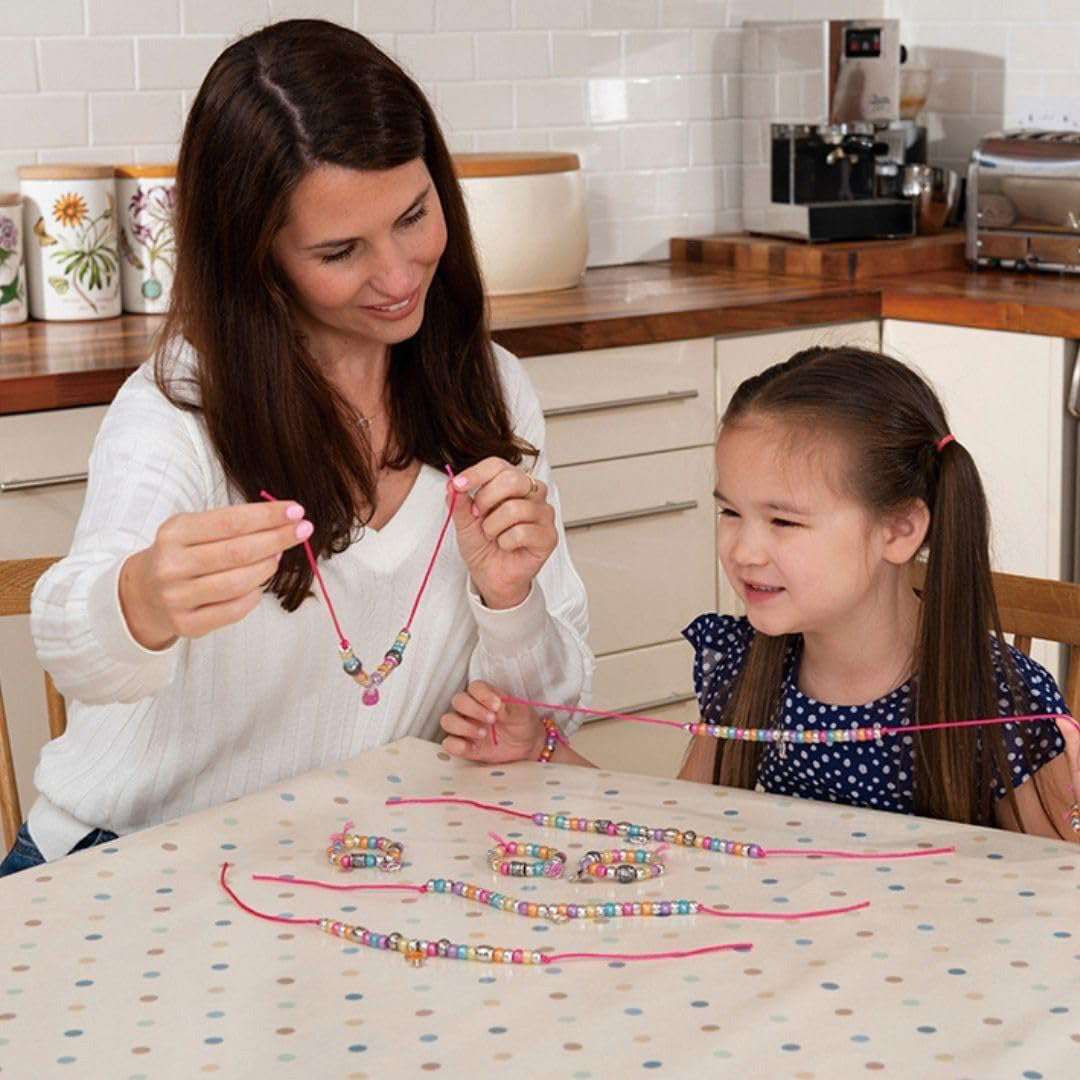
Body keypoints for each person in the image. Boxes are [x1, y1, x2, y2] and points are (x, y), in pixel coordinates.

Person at [0, 20, 592, 876]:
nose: (397, 275)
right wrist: (142, 599)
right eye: (340, 251)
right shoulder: (181, 406)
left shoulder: (490, 388)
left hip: (350, 868)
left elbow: (552, 715)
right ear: (255, 256)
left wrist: (510, 603)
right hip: (128, 862)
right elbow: (70, 637)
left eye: (414, 216)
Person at [441, 346, 1080, 842]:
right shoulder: (748, 666)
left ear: (900, 528)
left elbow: (1050, 894)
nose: (744, 551)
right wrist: (539, 749)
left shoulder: (999, 700)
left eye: (783, 522)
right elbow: (676, 829)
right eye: (729, 513)